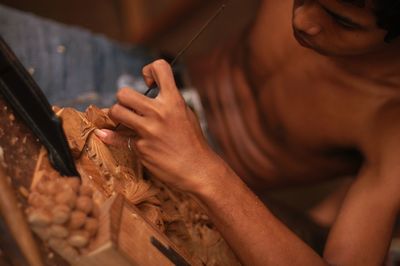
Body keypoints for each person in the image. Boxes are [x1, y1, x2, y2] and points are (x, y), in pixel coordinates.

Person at [94, 0, 400, 265]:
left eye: (343, 21)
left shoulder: (392, 121)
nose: (302, 20)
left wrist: (205, 170)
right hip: (139, 71)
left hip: (185, 196)